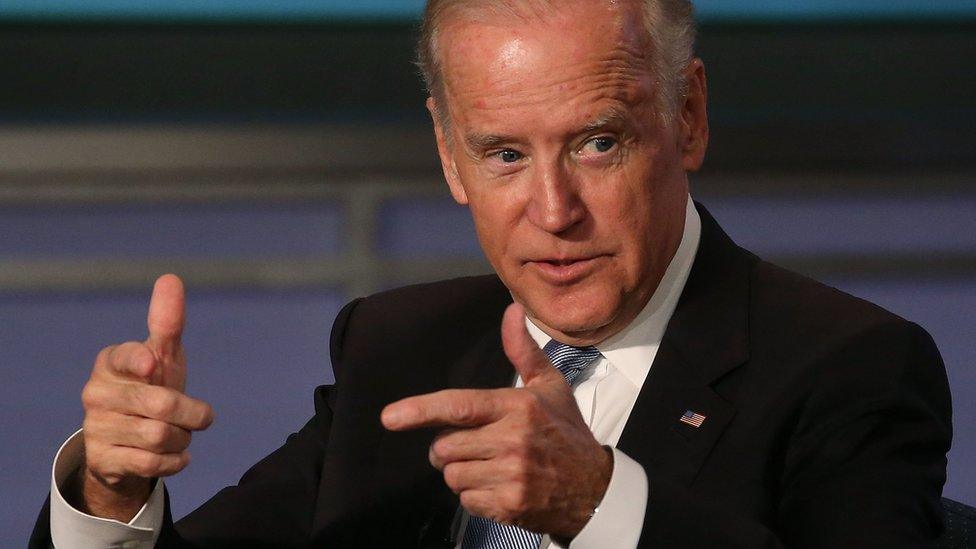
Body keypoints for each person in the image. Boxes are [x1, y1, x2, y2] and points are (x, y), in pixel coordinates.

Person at [31, 0, 952, 547]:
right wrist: (110, 492)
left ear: (690, 116)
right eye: (504, 154)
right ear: (447, 154)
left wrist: (599, 505)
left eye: (599, 142)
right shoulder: (398, 346)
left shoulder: (851, 366)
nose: (553, 211)